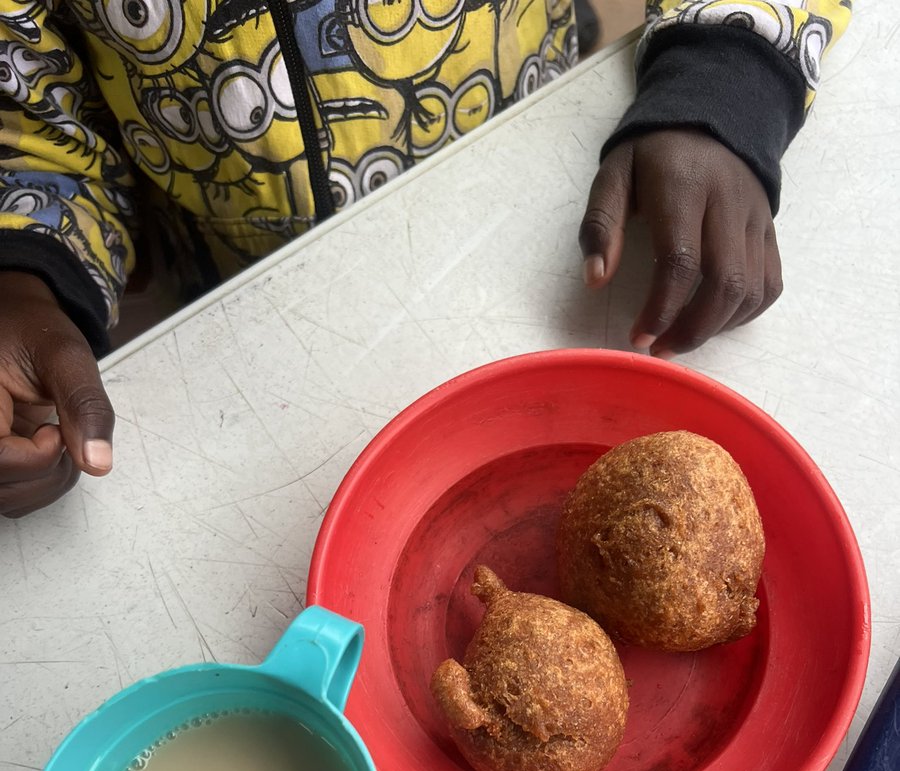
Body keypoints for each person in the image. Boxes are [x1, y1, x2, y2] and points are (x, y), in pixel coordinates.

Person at [0, 0, 851, 518]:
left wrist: (727, 77)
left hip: (547, 204)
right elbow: (34, 120)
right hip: (259, 303)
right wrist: (28, 270)